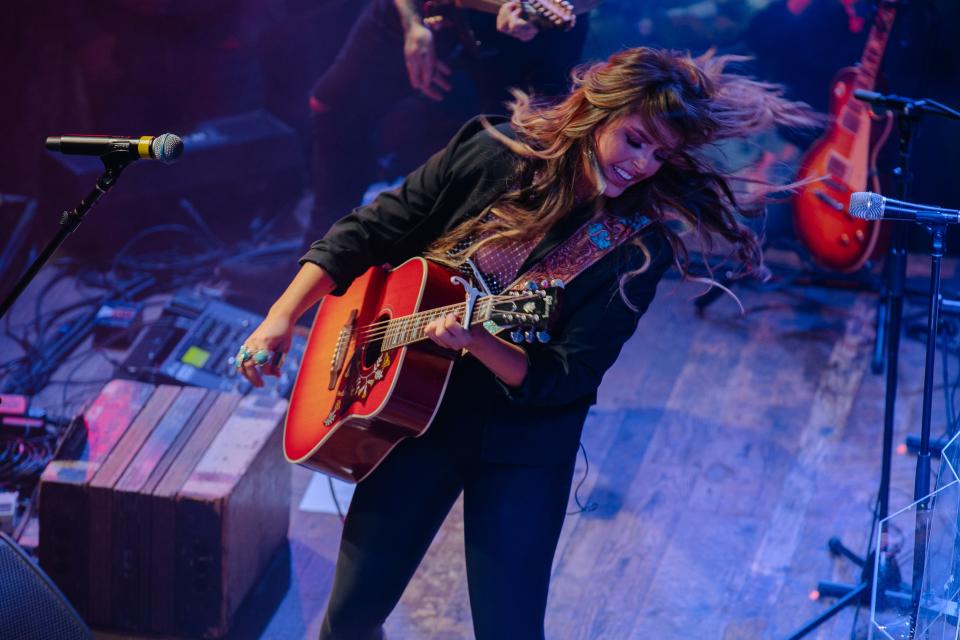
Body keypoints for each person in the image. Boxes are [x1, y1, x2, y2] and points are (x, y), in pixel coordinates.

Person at [237, 46, 816, 639]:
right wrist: (280, 318)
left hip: (522, 446)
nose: (642, 165)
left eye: (660, 154)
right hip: (411, 417)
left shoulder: (636, 250)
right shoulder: (494, 153)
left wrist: (479, 340)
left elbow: (567, 378)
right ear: (597, 110)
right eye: (635, 140)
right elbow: (370, 229)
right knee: (351, 616)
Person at [307, 0, 590, 237]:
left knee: (508, 154)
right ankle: (323, 253)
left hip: (515, 43)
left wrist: (533, 14)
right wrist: (414, 27)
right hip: (422, 15)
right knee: (334, 105)